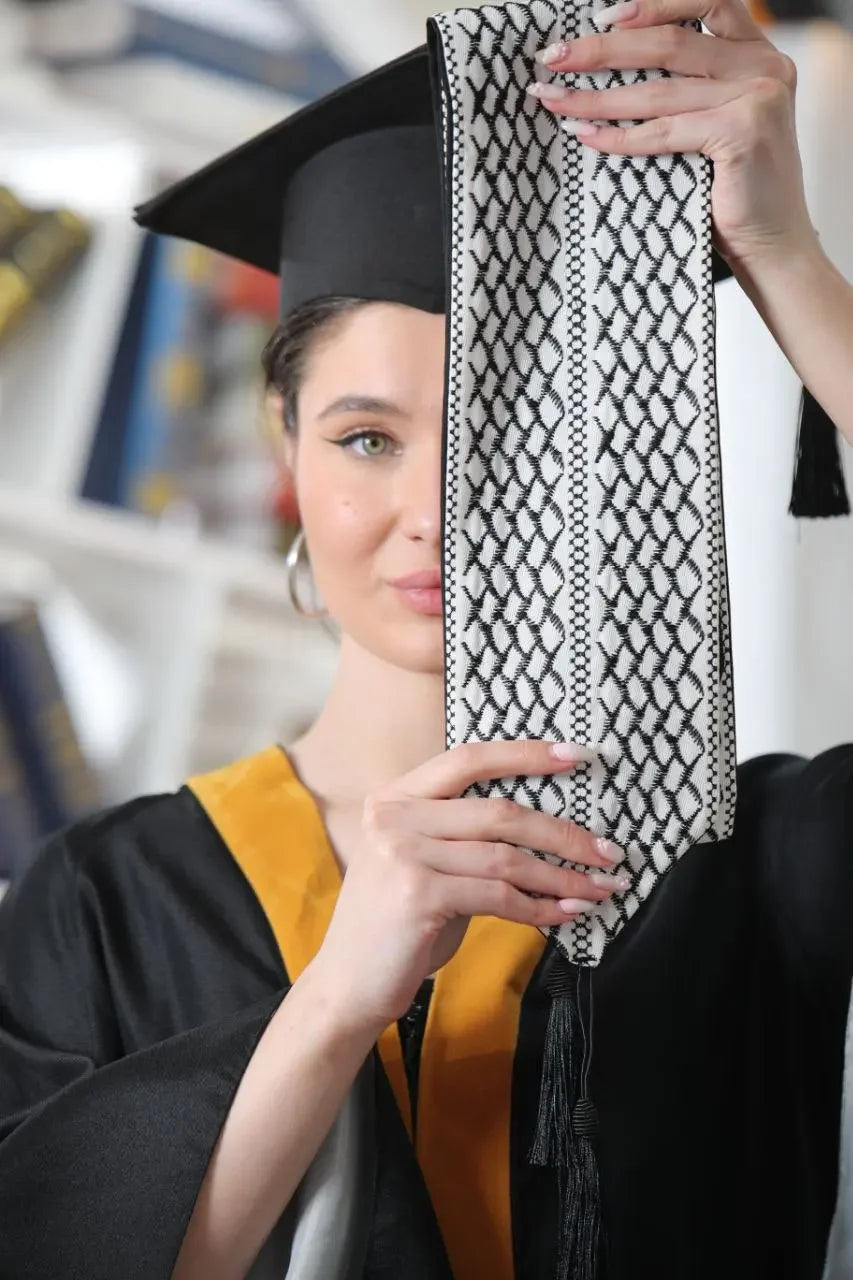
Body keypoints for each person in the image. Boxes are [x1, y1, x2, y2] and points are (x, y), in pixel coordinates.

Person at [2, 4, 853, 1279]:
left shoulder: (753, 860)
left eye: (508, 438)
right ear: (284, 441)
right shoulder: (104, 899)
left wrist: (786, 257)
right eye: (365, 437)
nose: (438, 509)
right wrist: (340, 994)